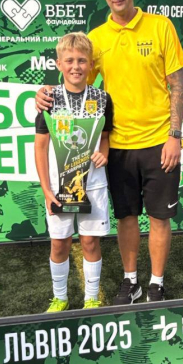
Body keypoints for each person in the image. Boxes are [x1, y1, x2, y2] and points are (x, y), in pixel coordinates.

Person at [36, 0, 183, 304]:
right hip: (117, 145)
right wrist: (43, 93)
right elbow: (75, 85)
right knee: (126, 217)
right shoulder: (96, 39)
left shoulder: (161, 26)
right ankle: (131, 281)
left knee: (160, 218)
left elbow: (178, 85)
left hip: (159, 141)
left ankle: (156, 284)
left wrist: (174, 136)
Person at [34, 32, 114, 312]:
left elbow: (105, 136)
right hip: (59, 187)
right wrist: (46, 190)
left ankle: (91, 298)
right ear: (59, 64)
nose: (76, 66)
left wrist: (104, 152)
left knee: (90, 242)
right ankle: (60, 298)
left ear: (91, 65)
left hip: (93, 183)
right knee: (59, 244)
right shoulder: (49, 98)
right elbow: (40, 146)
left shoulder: (102, 98)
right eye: (69, 60)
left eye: (82, 60)